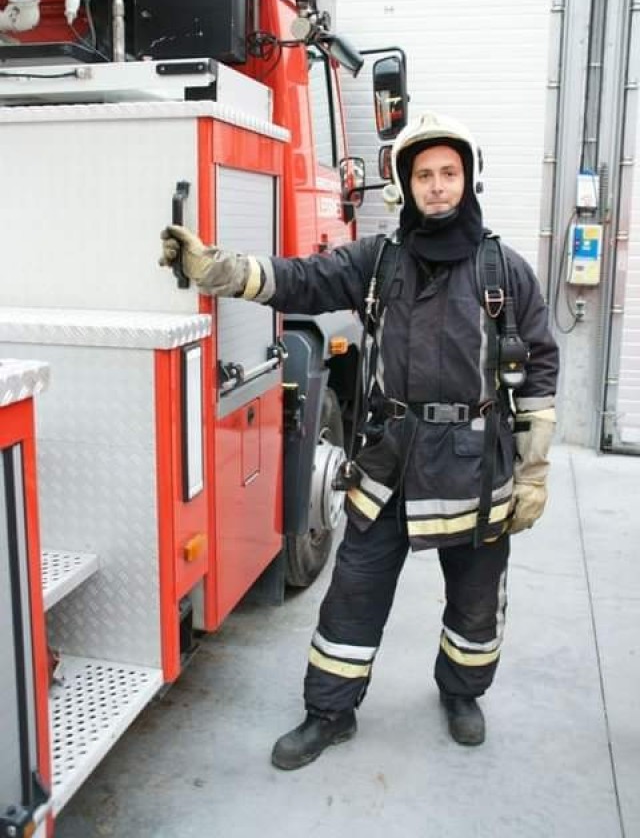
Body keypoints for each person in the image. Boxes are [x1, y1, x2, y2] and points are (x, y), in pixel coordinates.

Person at [159, 111, 559, 770]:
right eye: (424, 174)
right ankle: (329, 713)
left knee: (476, 598)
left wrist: (534, 471)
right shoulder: (379, 262)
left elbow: (539, 366)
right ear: (406, 182)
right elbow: (304, 280)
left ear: (468, 178)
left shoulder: (505, 271)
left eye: (448, 173)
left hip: (475, 470)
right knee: (353, 593)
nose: (437, 186)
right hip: (389, 466)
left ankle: (461, 694)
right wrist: (221, 271)